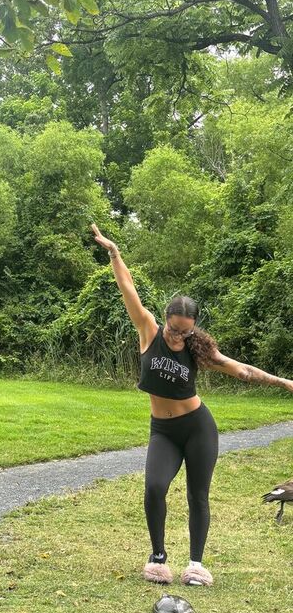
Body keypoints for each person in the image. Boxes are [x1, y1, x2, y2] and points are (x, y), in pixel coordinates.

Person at [90, 223, 293, 586]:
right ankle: (158, 558)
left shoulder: (198, 350)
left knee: (198, 495)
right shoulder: (148, 331)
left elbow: (243, 371)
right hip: (164, 431)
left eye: (185, 331)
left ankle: (196, 565)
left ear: (193, 328)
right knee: (154, 487)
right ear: (165, 320)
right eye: (173, 328)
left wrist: (286, 383)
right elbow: (128, 289)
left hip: (198, 427)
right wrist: (114, 253)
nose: (177, 336)